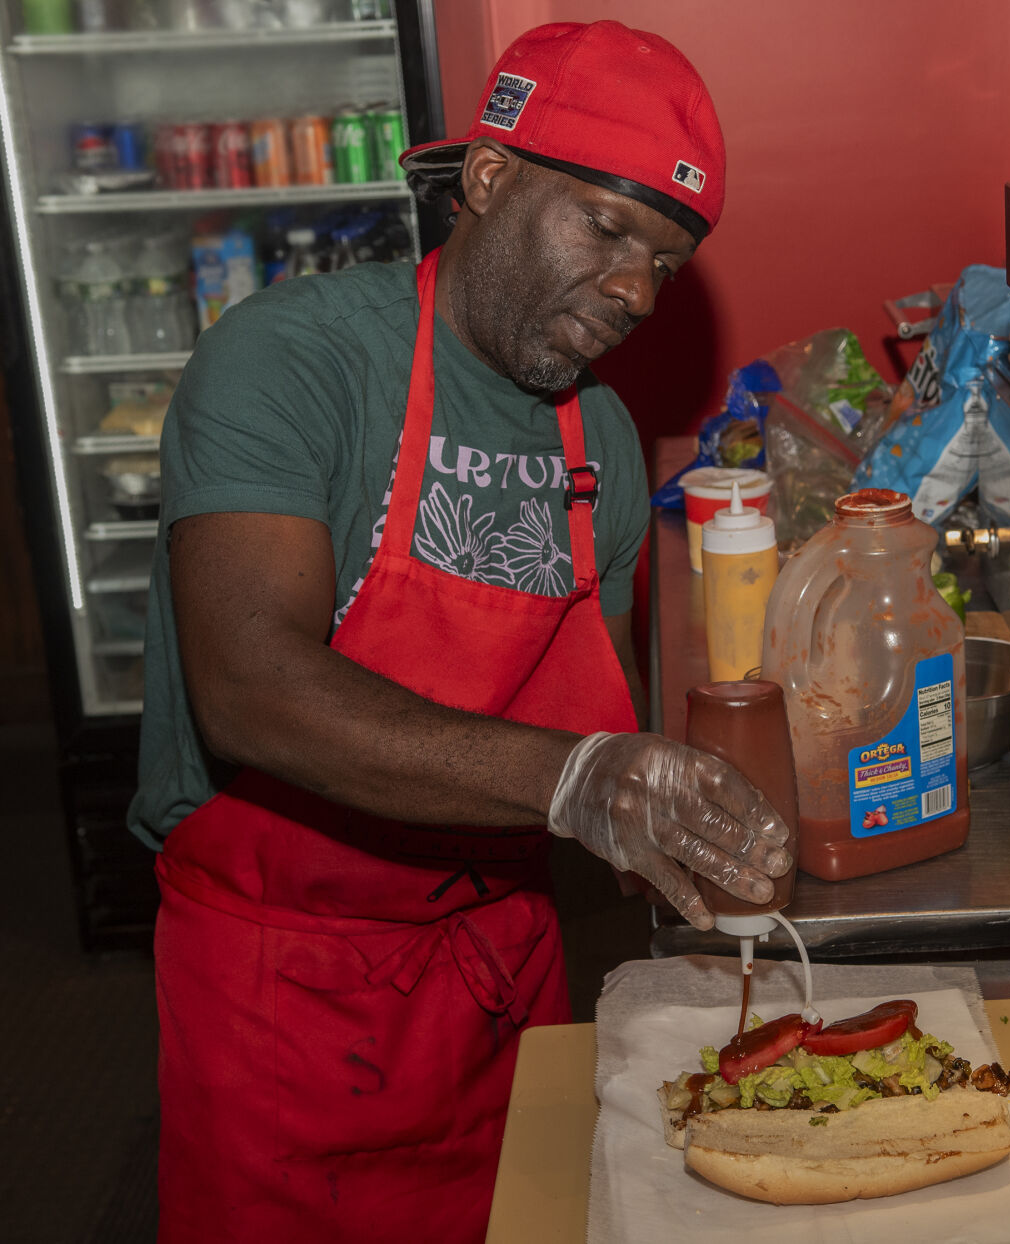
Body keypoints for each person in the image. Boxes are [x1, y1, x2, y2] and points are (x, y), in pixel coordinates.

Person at [127, 22, 789, 1244]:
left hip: (504, 978)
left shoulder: (602, 444)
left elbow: (601, 731)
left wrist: (684, 815)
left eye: (666, 260)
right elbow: (250, 686)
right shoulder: (292, 362)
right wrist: (577, 776)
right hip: (287, 994)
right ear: (488, 178)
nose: (637, 292)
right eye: (604, 226)